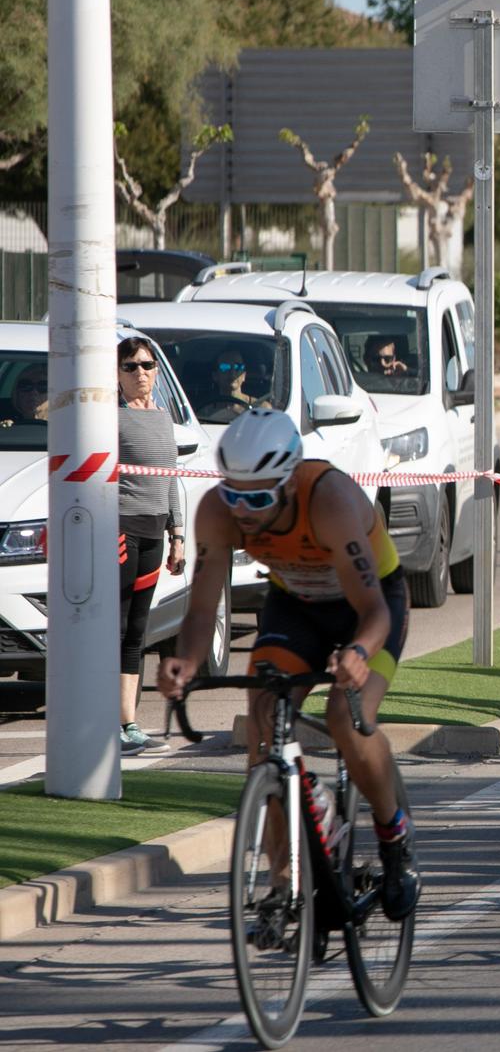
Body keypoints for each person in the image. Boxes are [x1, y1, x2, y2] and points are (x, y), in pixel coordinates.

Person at [158, 409, 421, 921]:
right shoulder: (218, 510)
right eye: (234, 494)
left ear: (286, 484)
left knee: (348, 719)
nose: (243, 510)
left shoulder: (330, 500)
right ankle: (284, 882)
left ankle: (395, 837)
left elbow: (373, 611)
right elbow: (201, 606)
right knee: (263, 727)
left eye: (256, 498)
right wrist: (185, 662)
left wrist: (359, 654)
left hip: (368, 608)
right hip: (295, 606)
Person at [115, 334, 183, 755]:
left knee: (139, 628)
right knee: (117, 623)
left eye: (146, 365)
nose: (140, 373)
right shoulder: (110, 417)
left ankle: (129, 722)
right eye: (131, 367)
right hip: (120, 528)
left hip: (156, 531)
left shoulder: (162, 417)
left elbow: (171, 479)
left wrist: (178, 536)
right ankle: (111, 720)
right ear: (117, 374)